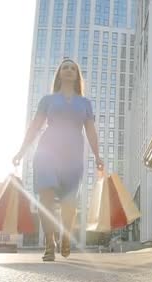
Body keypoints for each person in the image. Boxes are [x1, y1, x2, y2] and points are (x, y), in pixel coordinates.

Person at [13, 59, 103, 262]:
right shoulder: (48, 100)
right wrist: (21, 151)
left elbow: (90, 130)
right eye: (65, 67)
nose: (69, 70)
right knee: (46, 198)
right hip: (47, 153)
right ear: (59, 74)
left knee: (69, 204)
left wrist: (98, 156)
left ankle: (65, 236)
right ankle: (49, 243)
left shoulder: (85, 103)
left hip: (73, 157)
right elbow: (35, 126)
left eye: (73, 68)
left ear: (77, 75)